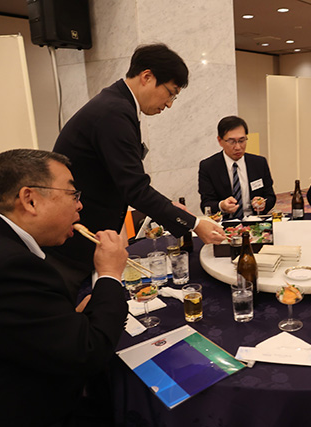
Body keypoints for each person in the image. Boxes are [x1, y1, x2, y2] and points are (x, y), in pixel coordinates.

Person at [48, 43, 225, 297]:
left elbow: (124, 178)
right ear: (147, 77)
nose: (169, 104)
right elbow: (135, 189)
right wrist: (195, 224)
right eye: (170, 93)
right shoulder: (114, 112)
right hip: (74, 238)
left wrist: (171, 207)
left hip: (85, 232)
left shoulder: (117, 104)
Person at [0, 149, 128, 426]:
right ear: (30, 199)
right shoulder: (9, 266)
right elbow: (88, 352)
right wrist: (109, 273)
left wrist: (68, 319)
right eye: (73, 194)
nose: (80, 206)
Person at [198, 116, 276, 218]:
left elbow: (270, 196)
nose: (238, 147)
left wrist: (263, 203)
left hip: (255, 221)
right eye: (232, 142)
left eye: (242, 140)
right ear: (220, 141)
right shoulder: (209, 166)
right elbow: (206, 204)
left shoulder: (259, 163)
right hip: (225, 223)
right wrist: (222, 206)